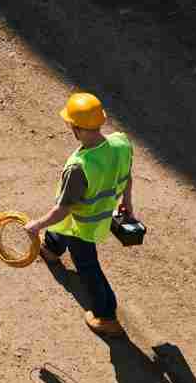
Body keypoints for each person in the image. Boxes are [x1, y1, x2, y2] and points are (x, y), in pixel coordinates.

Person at [24, 92, 134, 337]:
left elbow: (63, 209)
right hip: (99, 214)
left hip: (84, 225)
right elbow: (127, 176)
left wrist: (36, 225)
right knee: (65, 227)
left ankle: (106, 316)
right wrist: (127, 203)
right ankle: (52, 248)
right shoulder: (120, 144)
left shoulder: (79, 166)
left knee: (87, 267)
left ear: (75, 127)